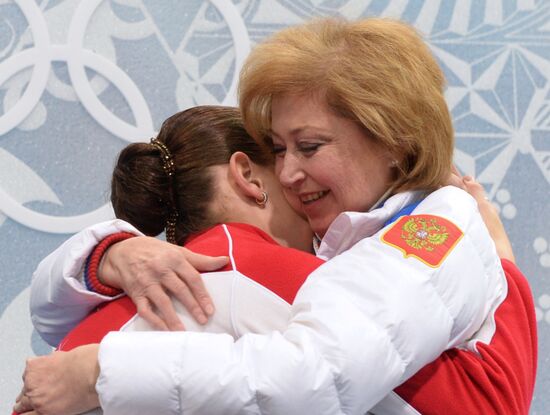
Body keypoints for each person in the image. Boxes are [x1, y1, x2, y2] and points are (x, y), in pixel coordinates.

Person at [18, 18, 536, 414]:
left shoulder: (433, 225)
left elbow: (322, 372)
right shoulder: (262, 269)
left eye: (308, 147)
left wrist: (100, 363)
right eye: (280, 150)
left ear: (393, 135)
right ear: (245, 173)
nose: (289, 174)